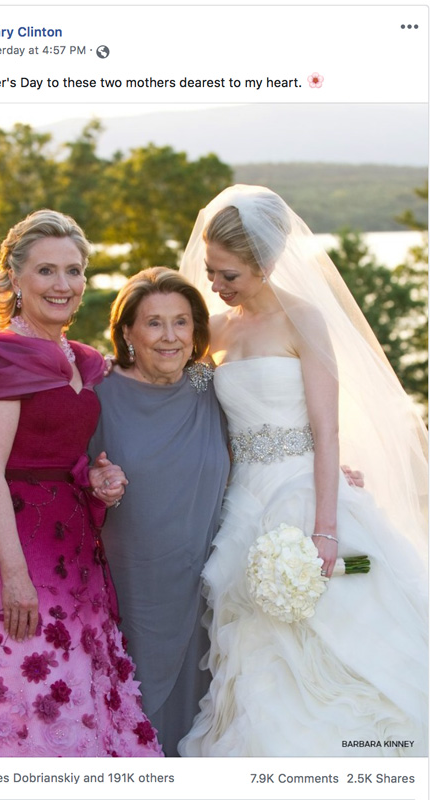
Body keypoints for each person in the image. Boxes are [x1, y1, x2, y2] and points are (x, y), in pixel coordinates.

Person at [178, 185, 428, 757]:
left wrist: (326, 528)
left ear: (264, 265)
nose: (215, 285)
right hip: (240, 500)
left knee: (339, 630)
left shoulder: (304, 319)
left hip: (302, 491)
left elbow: (327, 429)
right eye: (213, 272)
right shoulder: (213, 331)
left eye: (229, 275)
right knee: (253, 644)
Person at [0, 210, 163, 758]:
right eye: (47, 271)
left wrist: (99, 476)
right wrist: (16, 578)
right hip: (9, 549)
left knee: (70, 685)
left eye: (74, 271)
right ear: (15, 280)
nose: (63, 285)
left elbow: (70, 451)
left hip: (74, 549)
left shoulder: (86, 362)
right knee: (11, 687)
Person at [89, 267, 230, 756]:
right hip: (132, 588)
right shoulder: (98, 392)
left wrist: (330, 468)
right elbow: (67, 475)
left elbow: (269, 443)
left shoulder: (215, 388)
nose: (169, 337)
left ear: (196, 331)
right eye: (153, 323)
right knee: (137, 710)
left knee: (203, 712)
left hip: (207, 586)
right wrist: (94, 481)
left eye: (182, 322)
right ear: (127, 332)